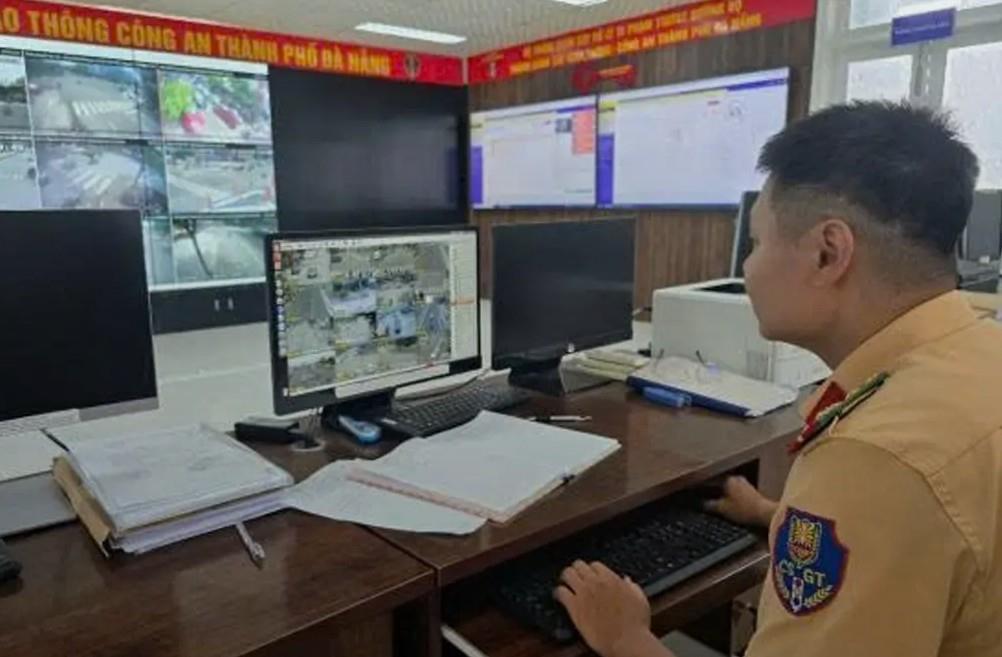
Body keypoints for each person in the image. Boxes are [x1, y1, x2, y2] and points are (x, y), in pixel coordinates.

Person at [554, 102, 1002, 657]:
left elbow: (891, 502)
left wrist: (628, 638)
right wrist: (776, 515)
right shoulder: (980, 356)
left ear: (827, 253)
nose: (747, 268)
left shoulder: (876, 458)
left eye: (756, 243)